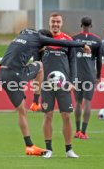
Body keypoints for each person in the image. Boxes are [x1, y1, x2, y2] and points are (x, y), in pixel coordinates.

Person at [0, 28, 90, 156]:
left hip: (2, 74)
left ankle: (29, 145)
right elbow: (65, 43)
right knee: (40, 66)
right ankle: (36, 101)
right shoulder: (39, 38)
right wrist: (82, 45)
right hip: (16, 73)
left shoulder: (23, 34)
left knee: (22, 111)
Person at [38, 12, 79, 158]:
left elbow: (73, 62)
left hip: (64, 85)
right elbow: (37, 62)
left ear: (61, 23)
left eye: (58, 22)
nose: (55, 24)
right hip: (46, 85)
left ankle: (69, 150)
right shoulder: (42, 40)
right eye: (53, 22)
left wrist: (72, 82)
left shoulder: (68, 40)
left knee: (66, 116)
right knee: (48, 115)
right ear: (49, 23)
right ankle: (48, 149)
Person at [72, 17, 102, 139]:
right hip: (90, 75)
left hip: (77, 74)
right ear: (91, 25)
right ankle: (83, 132)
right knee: (87, 102)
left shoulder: (74, 39)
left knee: (78, 102)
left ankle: (77, 131)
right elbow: (99, 60)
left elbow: (70, 57)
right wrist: (98, 75)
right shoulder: (97, 40)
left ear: (81, 25)